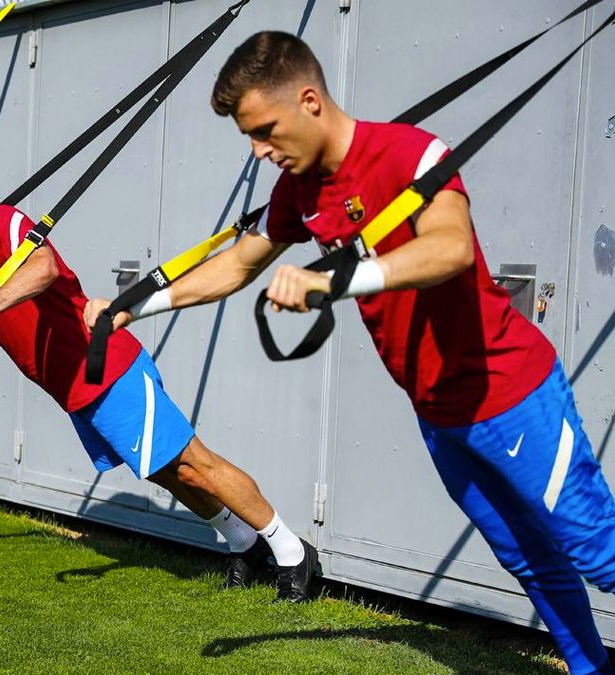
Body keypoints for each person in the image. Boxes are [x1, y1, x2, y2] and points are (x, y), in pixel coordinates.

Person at [86, 31, 615, 673]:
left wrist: (335, 280)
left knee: (597, 552)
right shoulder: (300, 190)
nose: (259, 151)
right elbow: (237, 267)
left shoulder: (408, 154)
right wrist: (131, 309)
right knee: (527, 559)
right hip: (440, 414)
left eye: (265, 130)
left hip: (510, 392)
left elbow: (450, 248)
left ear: (310, 100)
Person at [0, 156, 316, 600]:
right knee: (164, 471)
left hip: (106, 366)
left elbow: (44, 268)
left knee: (195, 463)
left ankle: (292, 553)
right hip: (73, 387)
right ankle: (244, 544)